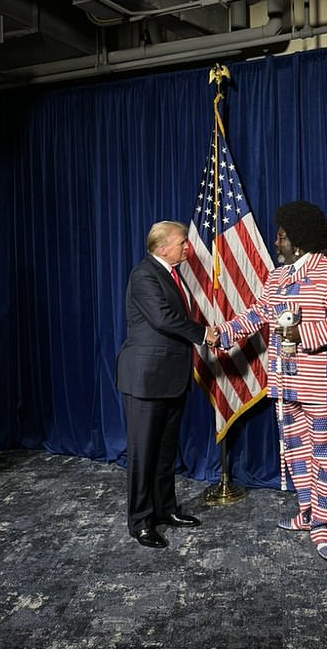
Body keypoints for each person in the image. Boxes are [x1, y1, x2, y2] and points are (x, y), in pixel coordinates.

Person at [213, 201, 327, 561]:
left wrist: (301, 332)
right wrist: (225, 332)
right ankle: (309, 513)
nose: (275, 242)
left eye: (281, 237)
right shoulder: (277, 277)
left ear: (298, 240)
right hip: (286, 385)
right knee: (299, 454)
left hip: (325, 388)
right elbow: (259, 312)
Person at [116, 221, 217, 548]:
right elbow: (162, 318)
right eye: (182, 243)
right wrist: (203, 334)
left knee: (163, 452)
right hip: (146, 378)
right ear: (162, 248)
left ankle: (165, 509)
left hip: (171, 377)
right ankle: (141, 521)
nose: (188, 247)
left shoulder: (172, 274)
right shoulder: (144, 275)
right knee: (143, 453)